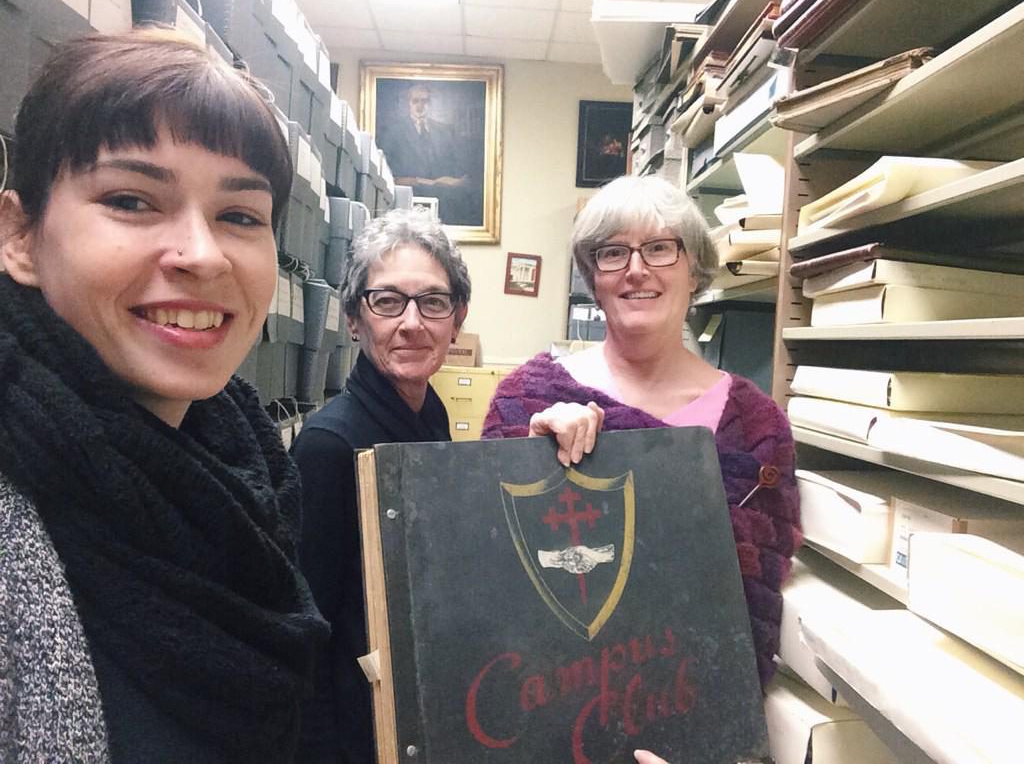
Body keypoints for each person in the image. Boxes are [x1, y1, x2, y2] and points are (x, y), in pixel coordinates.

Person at [0, 30, 329, 762]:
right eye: (132, 200)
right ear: (20, 234)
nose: (203, 255)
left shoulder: (250, 489)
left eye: (240, 216)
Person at [482, 174, 801, 691]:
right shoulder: (528, 400)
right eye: (612, 253)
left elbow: (757, 602)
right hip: (551, 702)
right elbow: (483, 571)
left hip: (693, 705)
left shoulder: (757, 427)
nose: (636, 270)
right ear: (592, 276)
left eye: (659, 249)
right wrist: (530, 457)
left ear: (695, 270)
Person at [292, 209, 471, 762]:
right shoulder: (329, 446)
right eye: (388, 301)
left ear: (457, 319)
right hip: (357, 738)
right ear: (353, 318)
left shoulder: (429, 419)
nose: (412, 323)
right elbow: (306, 640)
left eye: (433, 302)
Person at [376, 84, 480, 226]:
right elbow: (385, 170)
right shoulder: (393, 131)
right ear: (409, 104)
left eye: (424, 101)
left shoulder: (445, 131)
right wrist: (418, 181)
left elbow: (455, 165)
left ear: (430, 104)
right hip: (408, 198)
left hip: (442, 199)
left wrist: (451, 180)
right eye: (416, 101)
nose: (420, 105)